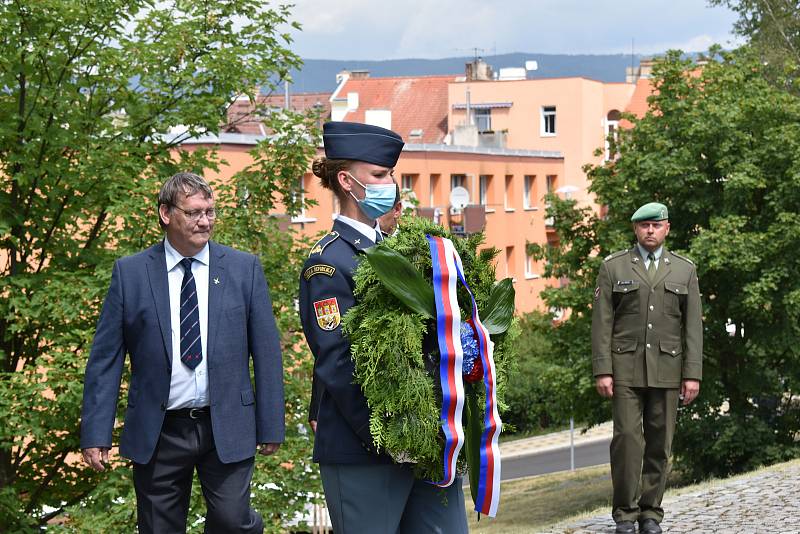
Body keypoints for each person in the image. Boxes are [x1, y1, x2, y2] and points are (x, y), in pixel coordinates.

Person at [80, 172, 285, 533]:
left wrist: (271, 423)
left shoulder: (242, 269)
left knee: (233, 522)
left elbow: (266, 351)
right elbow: (105, 360)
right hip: (159, 430)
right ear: (165, 214)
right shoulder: (131, 274)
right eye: (193, 213)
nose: (204, 221)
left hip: (226, 424)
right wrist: (96, 432)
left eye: (210, 212)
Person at [299, 121, 468, 533]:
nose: (389, 184)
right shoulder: (328, 264)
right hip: (366, 450)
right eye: (378, 175)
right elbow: (339, 364)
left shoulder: (399, 250)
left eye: (390, 174)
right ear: (347, 180)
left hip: (426, 442)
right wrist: (393, 433)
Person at [591, 202, 702, 534]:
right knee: (626, 439)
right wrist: (603, 369)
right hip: (624, 369)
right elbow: (601, 323)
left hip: (668, 369)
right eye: (644, 226)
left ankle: (651, 513)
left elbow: (693, 327)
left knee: (660, 442)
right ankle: (625, 515)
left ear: (667, 228)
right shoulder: (613, 268)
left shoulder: (684, 270)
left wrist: (692, 373)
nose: (650, 231)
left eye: (656, 225)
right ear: (635, 229)